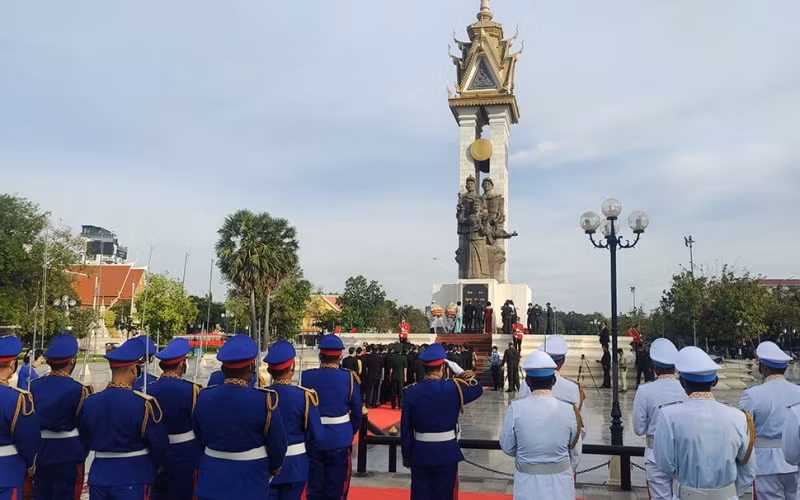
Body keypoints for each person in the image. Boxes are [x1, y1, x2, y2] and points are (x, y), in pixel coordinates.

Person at [192, 334, 287, 500]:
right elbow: (278, 446)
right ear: (251, 368)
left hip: (212, 479)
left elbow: (199, 437)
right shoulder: (264, 400)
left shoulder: (203, 397)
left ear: (222, 369)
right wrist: (270, 469)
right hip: (250, 480)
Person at [654, 346, 756, 499]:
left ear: (682, 382)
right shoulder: (739, 417)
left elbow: (665, 465)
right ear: (714, 381)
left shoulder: (669, 415)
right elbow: (748, 471)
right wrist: (725, 493)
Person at [78, 337, 170, 499]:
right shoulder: (143, 404)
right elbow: (159, 445)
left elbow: (85, 438)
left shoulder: (90, 402)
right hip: (133, 475)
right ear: (134, 369)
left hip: (100, 475)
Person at [401, 344, 483, 500]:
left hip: (421, 452)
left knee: (420, 495)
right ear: (443, 368)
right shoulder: (453, 388)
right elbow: (477, 388)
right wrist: (459, 371)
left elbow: (406, 429)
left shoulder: (411, 391)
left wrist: (407, 456)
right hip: (447, 452)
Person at [500, 351, 582, 499]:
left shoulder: (515, 409)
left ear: (528, 382)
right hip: (561, 485)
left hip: (527, 484)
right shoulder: (570, 410)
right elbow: (575, 452)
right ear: (553, 380)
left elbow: (507, 447)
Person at [30, 334, 93, 500]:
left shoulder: (34, 387)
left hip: (41, 454)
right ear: (72, 361)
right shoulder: (79, 390)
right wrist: (81, 451)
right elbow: (86, 428)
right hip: (69, 454)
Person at [300, 334, 362, 499]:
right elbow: (357, 414)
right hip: (339, 440)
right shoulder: (349, 378)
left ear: (320, 355)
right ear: (340, 356)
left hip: (313, 440)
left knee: (314, 490)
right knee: (337, 491)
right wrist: (348, 432)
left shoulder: (306, 377)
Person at [740, 341, 800, 499]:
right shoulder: (798, 392)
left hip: (765, 464)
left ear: (762, 367)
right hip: (795, 462)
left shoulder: (752, 395)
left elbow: (743, 431)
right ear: (785, 368)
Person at [265, 340, 324, 500]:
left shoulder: (260, 396)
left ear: (269, 370)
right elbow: (317, 436)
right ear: (293, 367)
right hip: (296, 466)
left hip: (266, 465)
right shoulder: (304, 396)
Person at [632, 338, 687, 500]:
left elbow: (638, 428)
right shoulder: (686, 389)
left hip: (655, 452)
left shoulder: (645, 391)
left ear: (654, 366)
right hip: (682, 452)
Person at [147, 338, 203, 500]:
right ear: (182, 364)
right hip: (185, 455)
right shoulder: (192, 390)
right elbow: (199, 426)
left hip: (156, 455)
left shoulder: (148, 389)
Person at [517, 336, 587, 436]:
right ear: (562, 360)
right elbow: (581, 429)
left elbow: (519, 419)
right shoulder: (573, 388)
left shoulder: (527, 383)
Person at [0, 336, 40, 500]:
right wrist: (30, 465)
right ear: (12, 364)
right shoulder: (17, 399)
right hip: (6, 472)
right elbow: (29, 441)